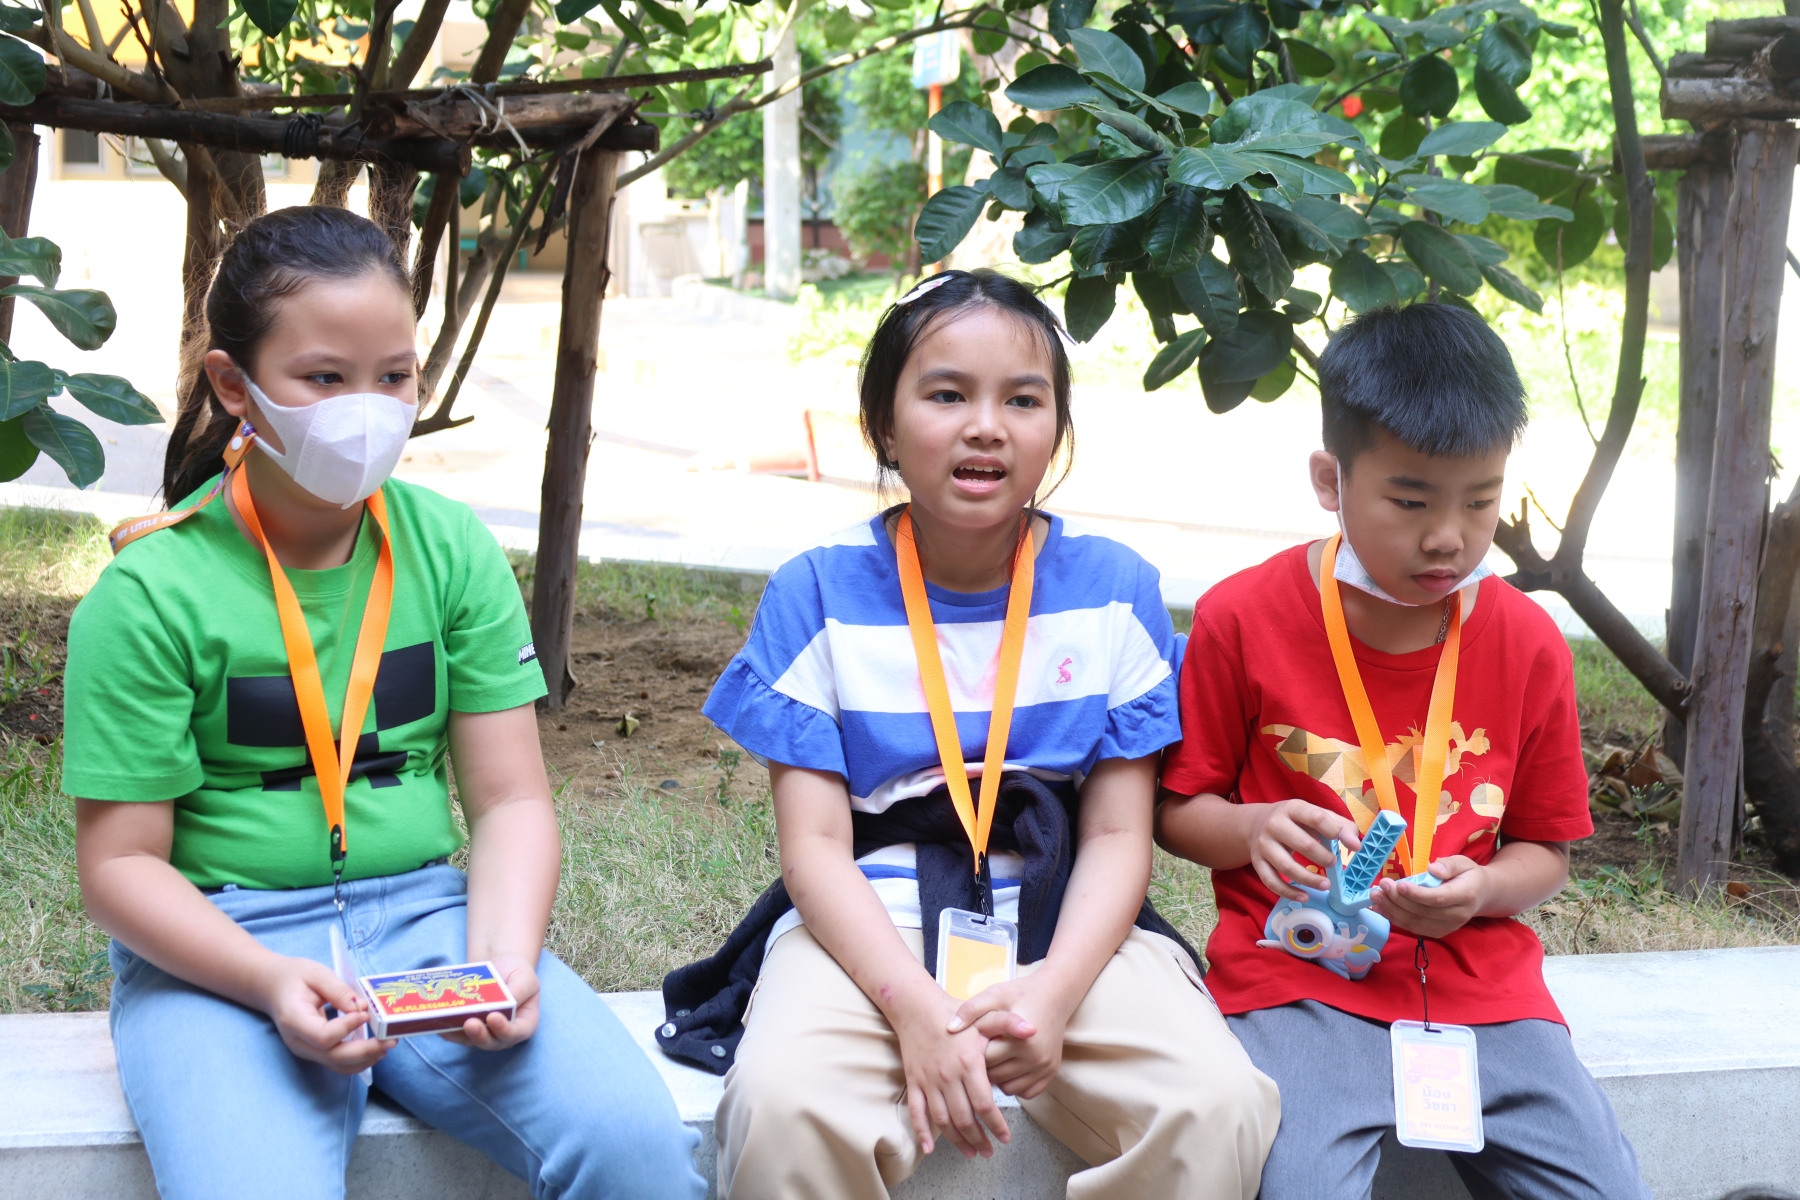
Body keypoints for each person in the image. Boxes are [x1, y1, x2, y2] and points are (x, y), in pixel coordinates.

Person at [62, 205, 704, 1200]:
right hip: (219, 955)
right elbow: (120, 868)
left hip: (427, 925)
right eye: (324, 378)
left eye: (394, 376)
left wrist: (503, 960)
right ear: (233, 385)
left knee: (635, 1151)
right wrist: (268, 979)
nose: (365, 409)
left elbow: (511, 801)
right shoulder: (148, 594)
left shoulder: (451, 550)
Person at [673, 269, 1278, 1200]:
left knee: (1214, 1103)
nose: (986, 426)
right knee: (783, 1105)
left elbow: (1119, 833)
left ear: (1056, 431)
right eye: (947, 394)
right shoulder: (815, 591)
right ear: (883, 425)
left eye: (1022, 400)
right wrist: (915, 1010)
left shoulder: (1114, 590)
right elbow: (815, 849)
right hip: (866, 930)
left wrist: (1056, 992)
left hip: (1066, 922)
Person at [1156, 302, 1650, 1199]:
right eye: (1411, 500)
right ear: (1330, 478)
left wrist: (1484, 891)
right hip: (1300, 980)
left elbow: (1546, 852)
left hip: (1486, 992)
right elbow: (1179, 810)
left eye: (1481, 501)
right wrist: (1252, 828)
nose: (1448, 536)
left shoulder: (1528, 643)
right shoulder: (1242, 617)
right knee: (1300, 1186)